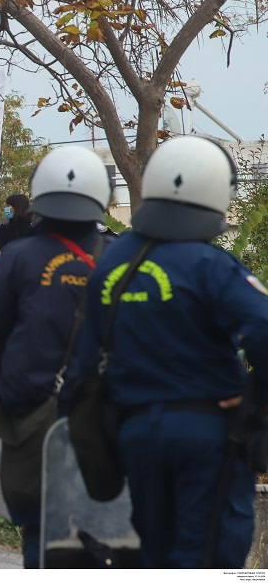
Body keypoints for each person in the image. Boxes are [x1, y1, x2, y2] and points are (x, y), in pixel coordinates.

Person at [70, 136, 268, 568]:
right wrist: (256, 402)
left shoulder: (109, 263)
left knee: (156, 555)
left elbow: (83, 365)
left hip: (136, 437)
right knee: (209, 555)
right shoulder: (209, 266)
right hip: (206, 435)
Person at [0, 146, 114, 568]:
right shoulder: (121, 256)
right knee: (108, 529)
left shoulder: (17, 258)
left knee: (41, 527)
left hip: (34, 418)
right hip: (109, 421)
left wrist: (4, 401)